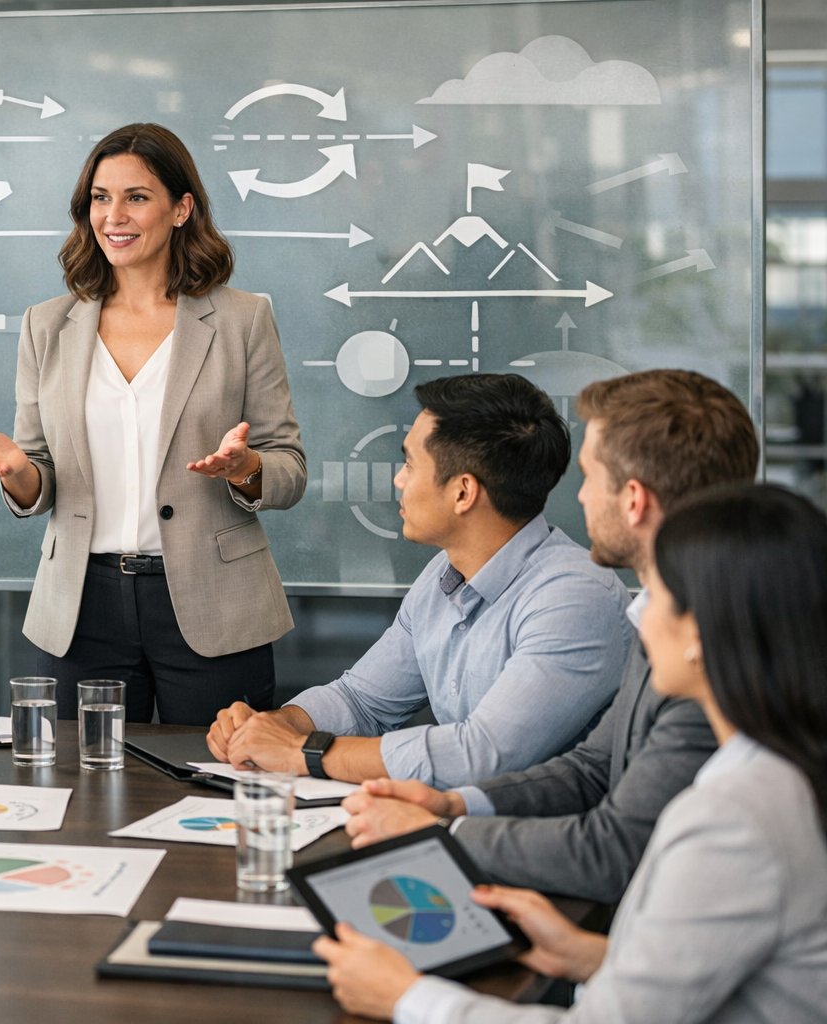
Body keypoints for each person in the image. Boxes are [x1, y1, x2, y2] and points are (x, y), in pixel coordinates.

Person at [316, 483, 827, 1024]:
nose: (638, 613)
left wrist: (406, 997)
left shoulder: (735, 819)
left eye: (656, 592)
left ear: (699, 633)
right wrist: (589, 956)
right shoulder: (778, 773)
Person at [341, 370, 756, 901]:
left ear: (633, 500)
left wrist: (443, 833)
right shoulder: (663, 615)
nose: (576, 497)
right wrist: (457, 806)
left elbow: (614, 850)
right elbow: (592, 768)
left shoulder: (710, 653)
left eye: (588, 476)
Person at [0, 123, 305, 725]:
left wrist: (247, 470)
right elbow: (39, 481)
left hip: (213, 603)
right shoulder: (47, 325)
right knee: (83, 795)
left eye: (136, 197)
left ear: (180, 208)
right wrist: (18, 473)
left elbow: (289, 469)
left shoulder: (244, 319)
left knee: (216, 789)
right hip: (82, 607)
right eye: (100, 197)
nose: (113, 215)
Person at [208, 373, 629, 787]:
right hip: (456, 823)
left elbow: (481, 756)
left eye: (410, 464)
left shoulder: (574, 598)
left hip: (544, 841)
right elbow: (362, 700)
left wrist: (302, 753)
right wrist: (273, 726)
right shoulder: (444, 575)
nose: (398, 479)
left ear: (463, 493)